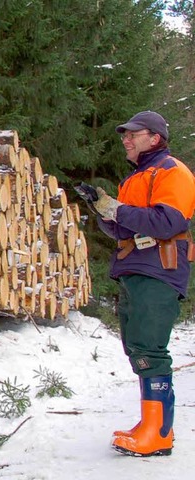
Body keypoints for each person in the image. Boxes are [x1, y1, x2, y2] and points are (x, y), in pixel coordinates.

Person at [91, 111, 195, 457]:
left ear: (155, 138)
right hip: (134, 266)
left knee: (150, 347)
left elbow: (167, 222)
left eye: (134, 134)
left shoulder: (172, 171)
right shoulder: (134, 178)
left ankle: (158, 433)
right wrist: (101, 210)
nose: (126, 139)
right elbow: (123, 229)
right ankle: (151, 424)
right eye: (125, 134)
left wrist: (117, 210)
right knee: (137, 346)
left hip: (160, 268)